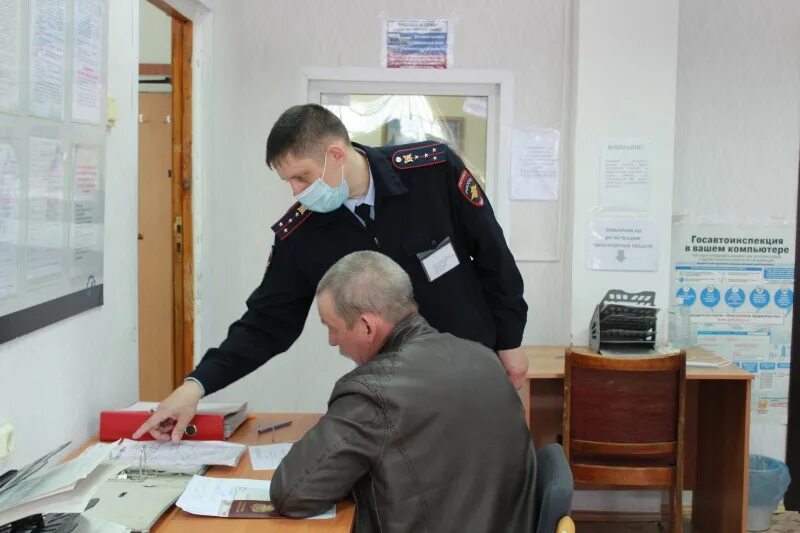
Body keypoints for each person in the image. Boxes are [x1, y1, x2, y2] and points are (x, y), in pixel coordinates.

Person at [134, 103, 528, 441]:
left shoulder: (432, 172)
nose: (296, 191)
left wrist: (510, 342)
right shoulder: (302, 235)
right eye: (288, 180)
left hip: (473, 368)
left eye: (302, 177)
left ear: (336, 155)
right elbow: (266, 324)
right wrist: (196, 385)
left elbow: (493, 256)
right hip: (394, 392)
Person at [270, 251, 537, 532]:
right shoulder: (484, 357)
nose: (332, 341)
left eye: (332, 328)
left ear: (366, 325)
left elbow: (291, 494)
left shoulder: (373, 390)